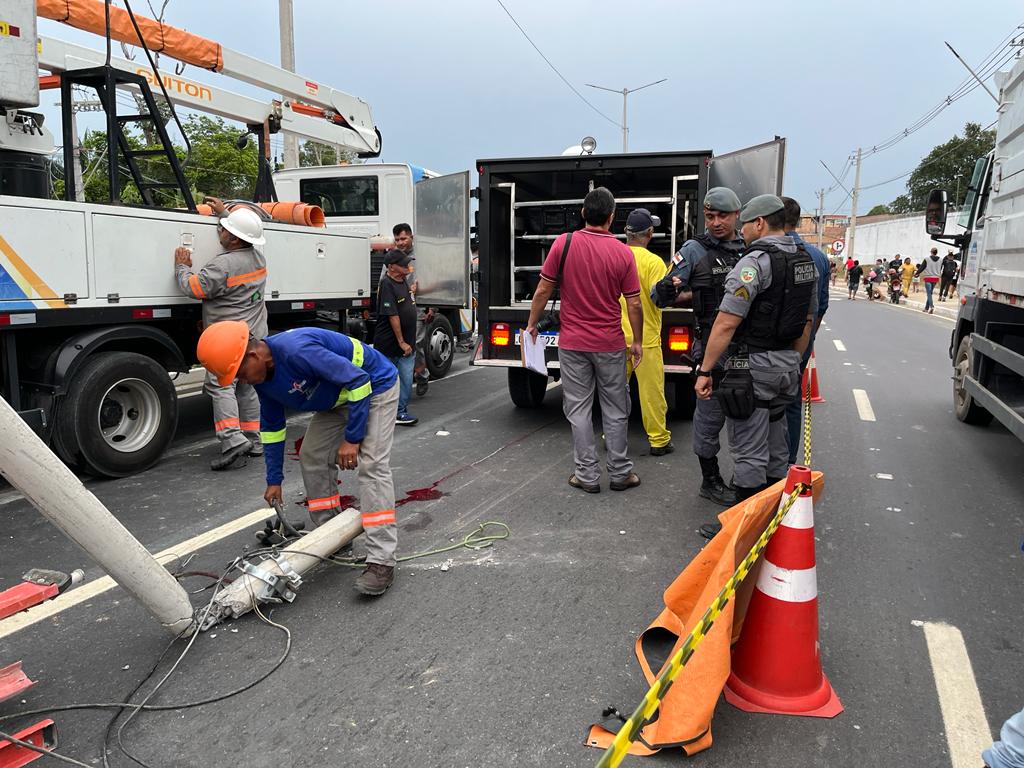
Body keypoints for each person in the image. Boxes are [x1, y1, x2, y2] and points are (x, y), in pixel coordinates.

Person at [196, 320, 401, 596]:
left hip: (374, 387)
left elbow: (359, 381)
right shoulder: (263, 379)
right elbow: (271, 430)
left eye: (240, 373)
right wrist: (274, 480)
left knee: (372, 466)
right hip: (338, 398)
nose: (242, 381)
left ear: (254, 355)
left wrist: (352, 439)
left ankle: (381, 561)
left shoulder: (297, 351)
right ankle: (334, 533)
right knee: (312, 455)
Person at [693, 194, 817, 539]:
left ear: (759, 223)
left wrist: (706, 371)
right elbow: (807, 321)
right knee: (777, 447)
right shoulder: (803, 259)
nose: (742, 231)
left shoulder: (755, 262)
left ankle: (743, 529)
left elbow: (726, 322)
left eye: (745, 224)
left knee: (748, 449)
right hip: (786, 365)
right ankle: (774, 520)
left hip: (752, 367)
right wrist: (793, 361)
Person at [526, 186, 643, 494]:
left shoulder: (563, 244)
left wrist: (532, 324)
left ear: (582, 214)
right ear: (612, 217)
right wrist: (638, 342)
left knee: (578, 409)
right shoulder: (623, 253)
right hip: (610, 343)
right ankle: (620, 473)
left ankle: (586, 476)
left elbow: (542, 291)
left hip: (573, 342)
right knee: (616, 409)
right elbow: (634, 303)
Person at [652, 187, 746, 505]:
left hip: (750, 349)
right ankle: (711, 479)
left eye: (723, 216)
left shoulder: (751, 248)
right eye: (710, 216)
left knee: (747, 421)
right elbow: (661, 297)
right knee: (708, 422)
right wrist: (666, 290)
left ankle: (747, 481)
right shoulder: (694, 250)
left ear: (737, 215)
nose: (716, 222)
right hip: (712, 352)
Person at [174, 197, 269, 471]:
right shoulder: (257, 257)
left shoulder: (223, 265)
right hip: (253, 335)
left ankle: (232, 439)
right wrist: (225, 213)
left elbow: (194, 287)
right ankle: (254, 439)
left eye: (225, 229)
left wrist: (181, 267)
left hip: (229, 340)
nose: (220, 232)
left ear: (236, 239)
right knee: (248, 386)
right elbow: (245, 233)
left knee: (221, 386)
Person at [619, 208, 672, 456]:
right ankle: (659, 441)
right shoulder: (654, 263)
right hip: (646, 338)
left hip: (616, 338)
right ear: (649, 233)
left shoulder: (615, 257)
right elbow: (660, 298)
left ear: (627, 233)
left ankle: (613, 435)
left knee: (615, 392)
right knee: (652, 393)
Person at [782, 198, 828, 466]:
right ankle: (788, 460)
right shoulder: (818, 257)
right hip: (802, 340)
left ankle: (759, 463)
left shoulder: (759, 253)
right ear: (798, 221)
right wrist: (808, 339)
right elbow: (821, 307)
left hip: (767, 344)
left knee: (760, 401)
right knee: (791, 401)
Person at [375, 248, 419, 426]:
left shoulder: (403, 281)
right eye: (403, 264)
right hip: (391, 345)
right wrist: (401, 342)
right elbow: (393, 316)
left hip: (409, 344)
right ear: (392, 267)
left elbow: (406, 304)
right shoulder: (387, 284)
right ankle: (393, 413)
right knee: (387, 381)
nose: (408, 266)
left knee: (406, 381)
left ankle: (399, 411)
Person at [392, 223, 432, 397]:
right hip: (398, 309)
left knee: (415, 345)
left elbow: (433, 282)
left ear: (411, 237)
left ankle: (421, 376)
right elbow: (383, 282)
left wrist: (432, 307)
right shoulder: (392, 258)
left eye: (403, 238)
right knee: (399, 346)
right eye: (397, 239)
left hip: (418, 309)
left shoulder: (422, 257)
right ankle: (401, 384)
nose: (400, 243)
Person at [917, 247, 943, 313]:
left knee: (929, 293)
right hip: (936, 278)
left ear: (931, 252)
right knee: (930, 293)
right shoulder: (941, 260)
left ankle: (931, 306)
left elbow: (922, 267)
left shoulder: (927, 259)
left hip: (928, 278)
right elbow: (941, 268)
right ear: (936, 252)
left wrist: (917, 273)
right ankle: (926, 308)